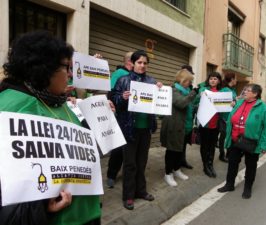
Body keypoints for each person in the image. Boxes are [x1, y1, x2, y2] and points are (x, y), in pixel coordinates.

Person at [0, 31, 101, 225]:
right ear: (44, 68)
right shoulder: (8, 107)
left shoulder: (57, 100)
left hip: (87, 213)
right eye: (66, 67)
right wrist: (39, 209)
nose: (71, 75)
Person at [111, 50, 163, 210]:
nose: (142, 65)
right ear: (132, 63)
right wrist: (122, 98)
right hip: (129, 129)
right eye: (139, 62)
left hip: (145, 129)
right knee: (130, 164)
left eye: (145, 63)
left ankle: (141, 191)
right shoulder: (123, 80)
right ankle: (128, 196)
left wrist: (160, 90)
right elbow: (113, 100)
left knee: (142, 162)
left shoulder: (151, 81)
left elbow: (159, 102)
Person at [218, 84, 266, 199]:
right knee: (232, 162)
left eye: (247, 90)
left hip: (251, 142)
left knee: (251, 165)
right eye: (244, 90)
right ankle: (229, 184)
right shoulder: (239, 103)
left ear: (255, 94)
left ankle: (247, 188)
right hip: (235, 140)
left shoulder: (264, 108)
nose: (244, 92)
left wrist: (265, 144)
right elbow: (231, 119)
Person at [161, 69, 199, 187]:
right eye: (189, 81)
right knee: (172, 150)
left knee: (180, 150)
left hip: (184, 125)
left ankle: (176, 169)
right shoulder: (174, 90)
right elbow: (181, 103)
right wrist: (193, 93)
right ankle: (168, 174)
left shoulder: (186, 90)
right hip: (174, 125)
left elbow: (190, 105)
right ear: (183, 80)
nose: (190, 83)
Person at [106, 52, 133, 188]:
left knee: (128, 148)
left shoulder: (136, 76)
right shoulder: (119, 74)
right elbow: (110, 94)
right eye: (136, 61)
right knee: (118, 148)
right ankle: (111, 175)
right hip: (120, 117)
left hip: (132, 119)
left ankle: (125, 172)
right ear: (130, 62)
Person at [195, 72, 223, 178]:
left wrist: (232, 103)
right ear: (208, 80)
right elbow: (194, 102)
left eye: (215, 79)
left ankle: (210, 164)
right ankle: (205, 165)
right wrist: (200, 97)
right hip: (205, 123)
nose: (213, 80)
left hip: (215, 123)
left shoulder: (221, 92)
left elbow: (225, 106)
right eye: (211, 79)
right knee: (205, 145)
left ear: (219, 81)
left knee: (212, 145)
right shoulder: (203, 90)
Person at [218, 72, 237, 162]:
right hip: (225, 118)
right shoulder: (225, 90)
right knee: (224, 136)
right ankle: (222, 155)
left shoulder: (231, 90)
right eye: (235, 78)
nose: (236, 80)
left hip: (230, 117)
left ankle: (227, 154)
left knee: (227, 136)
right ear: (232, 79)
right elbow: (222, 103)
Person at [180, 64, 195, 169]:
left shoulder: (191, 88)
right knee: (177, 145)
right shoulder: (177, 87)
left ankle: (183, 160)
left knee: (184, 143)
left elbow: (193, 102)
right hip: (180, 121)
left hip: (189, 121)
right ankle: (174, 166)